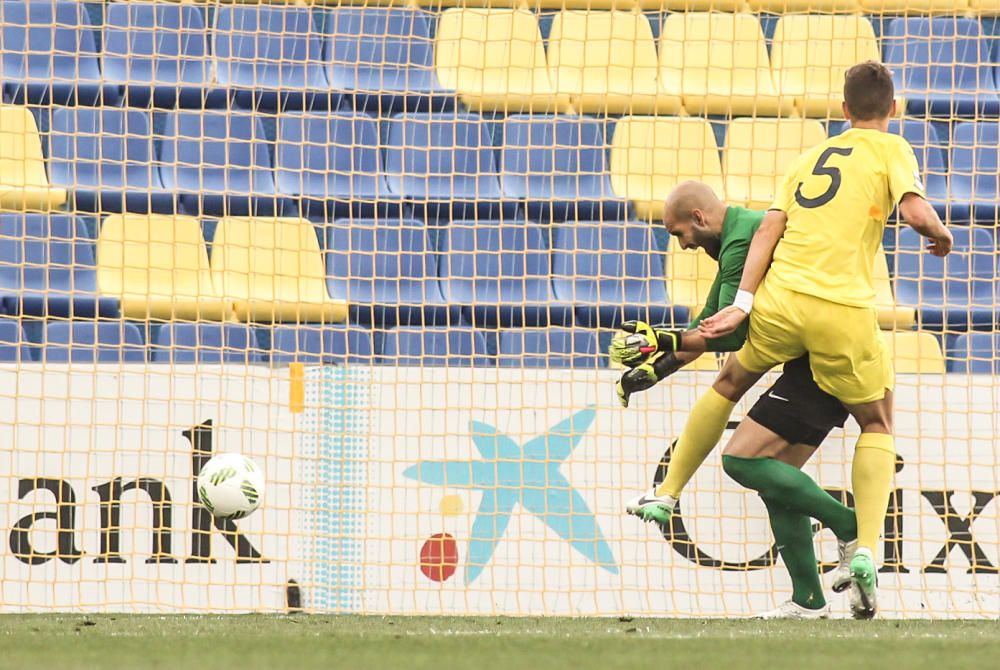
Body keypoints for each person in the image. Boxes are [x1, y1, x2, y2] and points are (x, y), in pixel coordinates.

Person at [636, 61, 953, 618]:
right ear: (893, 110)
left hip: (781, 301)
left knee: (731, 384)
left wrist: (743, 304)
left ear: (843, 111)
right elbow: (913, 210)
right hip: (840, 314)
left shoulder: (808, 159)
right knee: (876, 423)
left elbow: (769, 228)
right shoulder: (891, 148)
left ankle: (670, 494)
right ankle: (865, 541)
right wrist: (941, 233)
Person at [610, 181, 858, 619]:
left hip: (825, 362)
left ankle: (850, 527)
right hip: (815, 363)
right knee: (775, 483)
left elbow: (734, 332)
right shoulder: (735, 238)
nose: (683, 245)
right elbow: (707, 325)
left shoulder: (743, 241)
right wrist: (655, 369)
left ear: (699, 219)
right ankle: (809, 601)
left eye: (678, 233)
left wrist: (660, 342)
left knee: (740, 459)